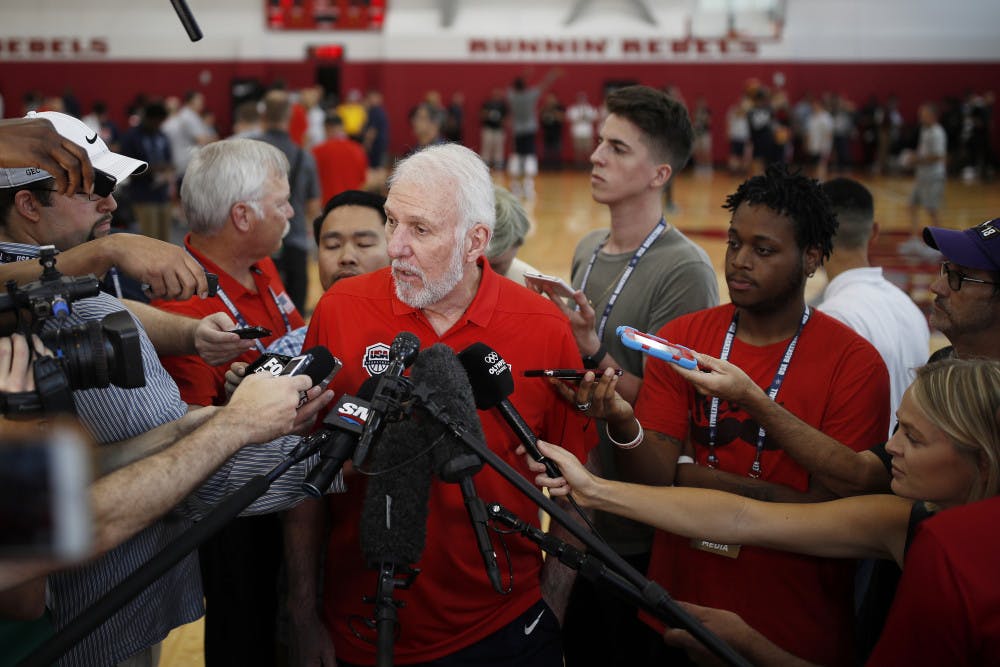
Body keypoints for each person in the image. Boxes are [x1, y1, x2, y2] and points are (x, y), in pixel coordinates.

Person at [0, 112, 332, 666]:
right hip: (91, 624)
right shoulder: (39, 314)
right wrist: (336, 458)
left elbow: (97, 304)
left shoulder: (48, 281)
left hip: (108, 606)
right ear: (29, 206)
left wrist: (189, 337)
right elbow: (195, 482)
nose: (112, 203)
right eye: (95, 188)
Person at [285, 143, 596, 667]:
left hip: (503, 626)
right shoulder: (340, 310)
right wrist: (299, 612)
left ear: (476, 240)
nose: (395, 247)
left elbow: (575, 491)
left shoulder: (543, 327)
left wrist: (552, 608)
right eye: (391, 222)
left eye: (420, 230)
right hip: (359, 624)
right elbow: (309, 477)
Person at [529, 357, 1000, 667]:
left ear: (981, 459)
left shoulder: (943, 547)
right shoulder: (904, 517)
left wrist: (751, 647)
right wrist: (594, 489)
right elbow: (741, 518)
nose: (890, 448)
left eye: (914, 439)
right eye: (900, 427)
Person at [624, 163, 890, 666]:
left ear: (811, 258)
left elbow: (841, 510)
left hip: (791, 632)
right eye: (733, 243)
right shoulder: (681, 337)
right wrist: (621, 422)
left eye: (764, 250)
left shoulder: (856, 364)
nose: (740, 261)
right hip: (676, 608)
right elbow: (655, 478)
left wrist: (695, 475)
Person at [533, 84, 719, 667]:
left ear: (659, 172)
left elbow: (670, 415)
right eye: (599, 144)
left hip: (638, 526)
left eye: (617, 148)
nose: (595, 157)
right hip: (580, 510)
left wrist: (592, 350)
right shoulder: (588, 247)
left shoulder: (683, 270)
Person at [150, 137, 313, 666]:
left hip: (294, 488)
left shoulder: (262, 264)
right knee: (246, 635)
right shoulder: (181, 306)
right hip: (238, 513)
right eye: (282, 201)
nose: (292, 211)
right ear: (242, 216)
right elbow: (196, 436)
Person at [815, 178, 929, 432]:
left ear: (813, 237)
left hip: (860, 465)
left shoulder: (832, 318)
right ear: (875, 232)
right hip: (904, 462)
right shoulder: (908, 307)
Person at [251, 90, 322, 314]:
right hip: (296, 238)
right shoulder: (305, 157)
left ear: (263, 116)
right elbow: (313, 205)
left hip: (255, 240)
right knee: (295, 314)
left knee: (259, 311)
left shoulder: (248, 153)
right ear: (289, 118)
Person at [119, 101, 175, 242]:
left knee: (164, 240)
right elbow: (126, 167)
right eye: (156, 121)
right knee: (149, 240)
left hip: (162, 194)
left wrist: (168, 169)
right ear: (149, 119)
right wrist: (152, 169)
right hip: (142, 195)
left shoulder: (162, 136)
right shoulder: (131, 137)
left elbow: (168, 160)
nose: (158, 125)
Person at [900, 103, 948, 257]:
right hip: (922, 177)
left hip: (933, 177)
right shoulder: (925, 130)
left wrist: (916, 159)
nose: (921, 117)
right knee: (912, 205)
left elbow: (938, 156)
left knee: (932, 210)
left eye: (924, 114)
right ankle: (914, 239)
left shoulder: (937, 132)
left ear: (933, 116)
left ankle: (940, 244)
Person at [507, 69, 561, 199]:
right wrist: (552, 74)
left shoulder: (512, 97)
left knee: (518, 157)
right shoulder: (530, 96)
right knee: (529, 157)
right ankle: (528, 187)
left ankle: (516, 187)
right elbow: (543, 85)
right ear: (525, 86)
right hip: (529, 130)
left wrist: (524, 75)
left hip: (517, 131)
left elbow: (511, 87)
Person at [485, 185, 540, 285]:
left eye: (495, 266)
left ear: (517, 245)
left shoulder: (529, 284)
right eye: (478, 263)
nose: (484, 273)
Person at [311, 113, 368, 205]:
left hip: (328, 205)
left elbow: (312, 183)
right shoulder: (358, 150)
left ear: (326, 128)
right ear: (342, 128)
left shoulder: (316, 152)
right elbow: (363, 181)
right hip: (353, 204)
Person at [566, 92, 599, 169]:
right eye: (580, 99)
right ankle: (578, 165)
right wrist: (580, 117)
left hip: (588, 133)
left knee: (588, 150)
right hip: (577, 133)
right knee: (578, 150)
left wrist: (586, 117)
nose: (581, 100)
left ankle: (588, 165)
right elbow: (569, 117)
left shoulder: (589, 108)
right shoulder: (573, 109)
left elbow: (595, 117)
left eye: (583, 99)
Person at [480, 87, 508, 170]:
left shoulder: (503, 105)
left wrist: (502, 120)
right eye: (495, 94)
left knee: (499, 148)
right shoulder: (487, 104)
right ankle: (485, 164)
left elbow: (506, 118)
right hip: (488, 129)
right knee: (486, 147)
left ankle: (498, 164)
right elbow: (482, 114)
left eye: (497, 94)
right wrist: (488, 114)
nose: (496, 96)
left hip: (499, 130)